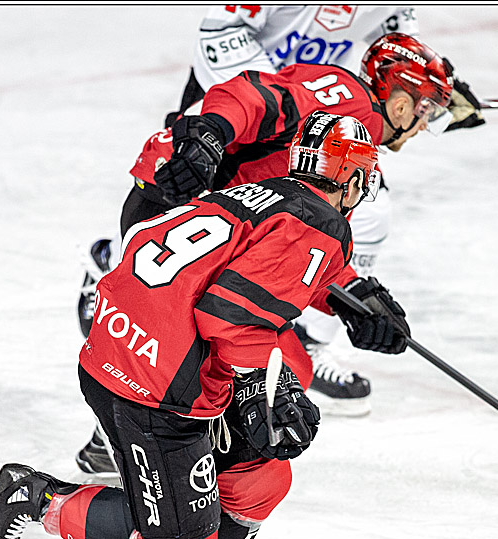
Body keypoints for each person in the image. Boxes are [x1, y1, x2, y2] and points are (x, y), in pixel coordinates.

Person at [0, 112, 412, 539]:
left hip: (130, 343)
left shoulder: (270, 192)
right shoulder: (322, 225)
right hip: (156, 387)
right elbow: (233, 314)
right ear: (354, 177)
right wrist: (260, 389)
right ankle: (28, 494)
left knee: (261, 478)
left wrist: (353, 296)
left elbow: (261, 263)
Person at [74, 32, 463, 476]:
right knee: (244, 359)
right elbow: (253, 94)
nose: (425, 124)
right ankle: (147, 454)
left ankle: (118, 440)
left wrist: (351, 294)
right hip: (183, 192)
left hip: (185, 205)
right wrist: (209, 136)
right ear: (402, 105)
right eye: (427, 110)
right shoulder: (353, 116)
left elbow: (291, 244)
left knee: (267, 359)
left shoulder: (349, 106)